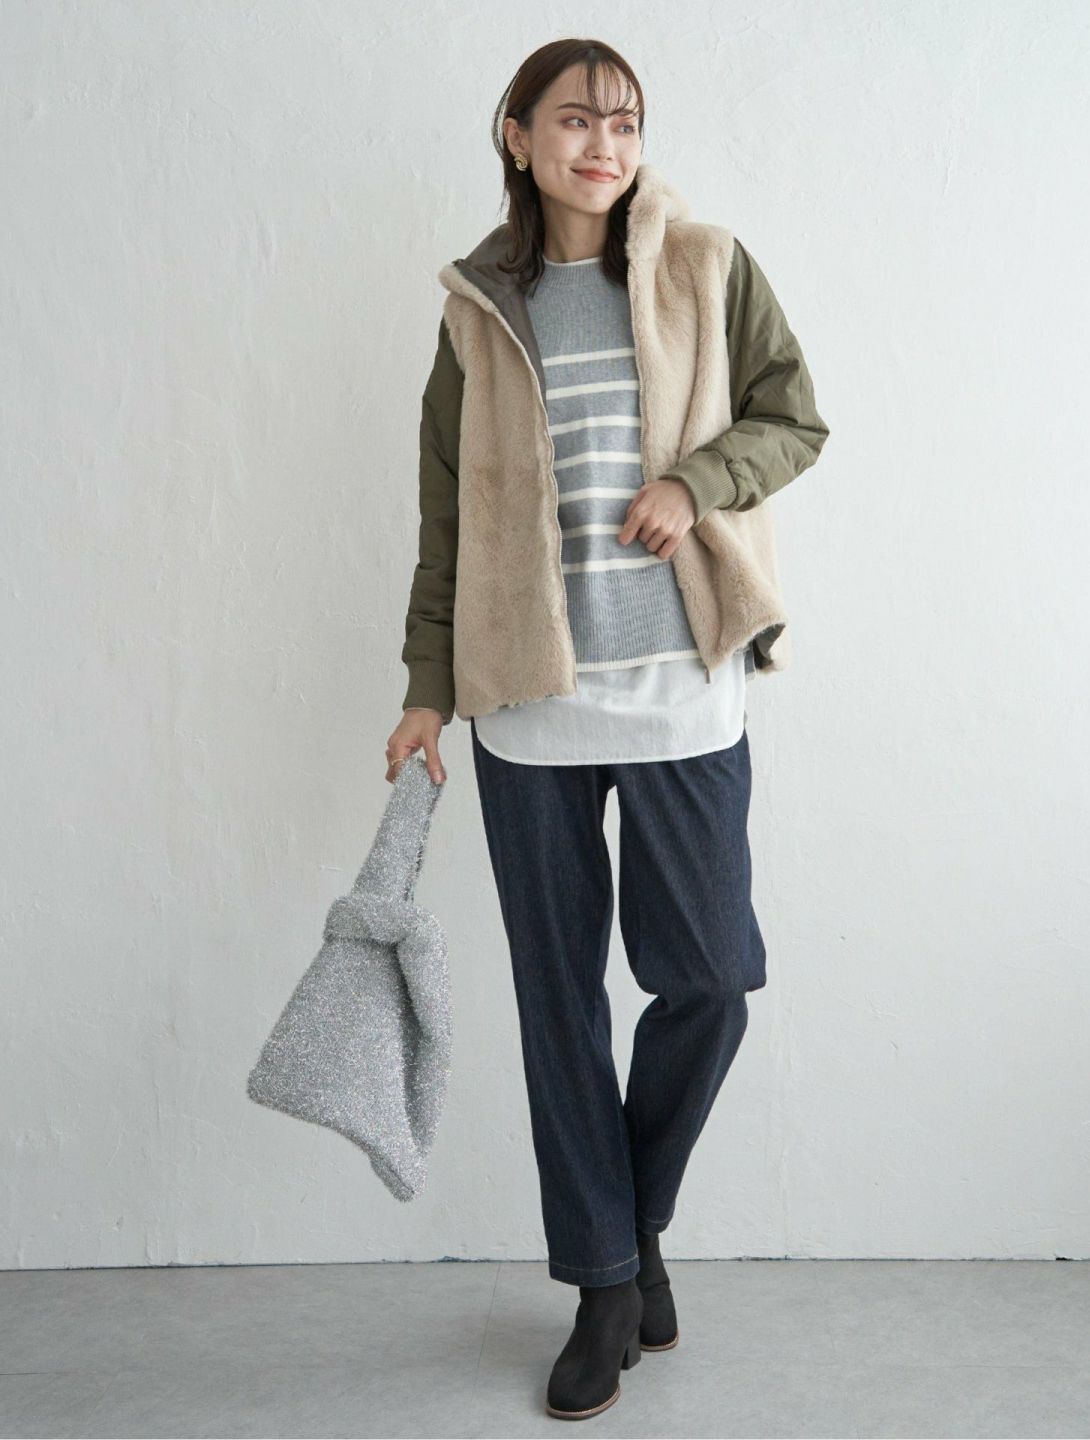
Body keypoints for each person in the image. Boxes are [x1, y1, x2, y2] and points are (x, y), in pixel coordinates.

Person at [385, 39, 830, 1422]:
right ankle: (602, 1285)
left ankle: (632, 1226)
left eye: (625, 122)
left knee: (710, 979)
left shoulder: (706, 264)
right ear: (517, 136)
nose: (605, 144)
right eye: (576, 120)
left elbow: (793, 419)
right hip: (529, 703)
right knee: (561, 1003)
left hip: (685, 687)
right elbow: (448, 517)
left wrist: (697, 482)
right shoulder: (479, 309)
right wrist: (424, 684)